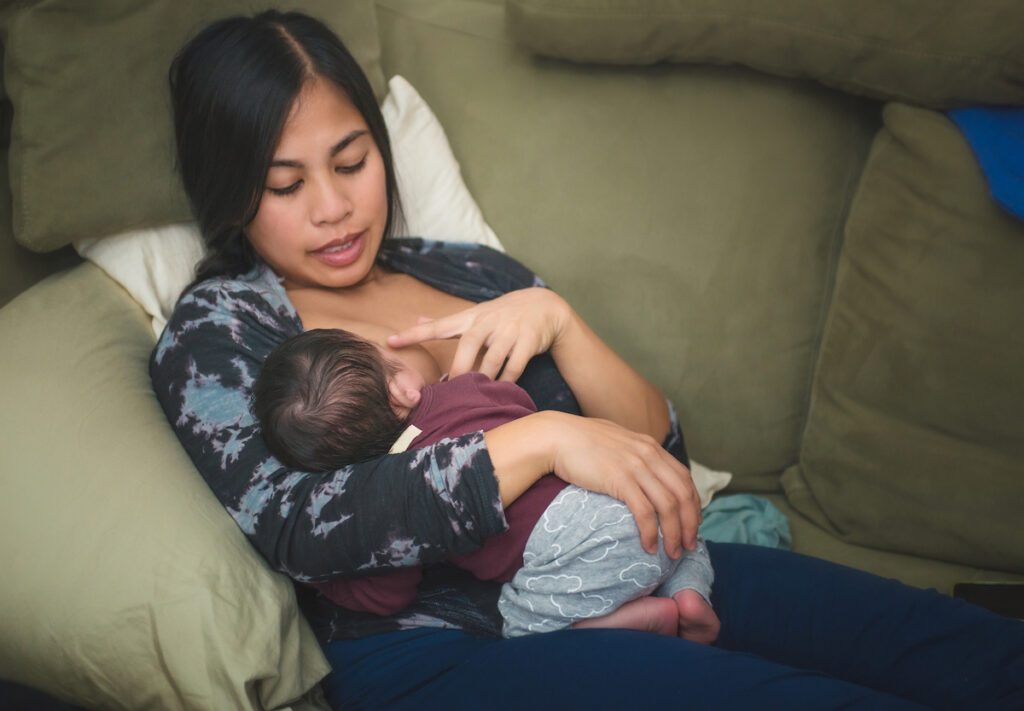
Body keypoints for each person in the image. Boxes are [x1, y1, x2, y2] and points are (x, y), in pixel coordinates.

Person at [151, 9, 1024, 710]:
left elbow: (655, 451)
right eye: (286, 184)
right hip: (445, 648)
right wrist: (541, 442)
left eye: (353, 161)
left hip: (657, 552)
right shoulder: (222, 332)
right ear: (231, 190)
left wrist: (562, 320)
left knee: (969, 653)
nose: (336, 208)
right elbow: (303, 524)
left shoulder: (465, 270)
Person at [252, 328, 719, 640]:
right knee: (682, 536)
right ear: (402, 389)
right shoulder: (469, 387)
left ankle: (630, 622)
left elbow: (388, 592)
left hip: (575, 545)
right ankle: (690, 592)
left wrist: (328, 587)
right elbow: (517, 402)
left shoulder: (405, 490)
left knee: (515, 625)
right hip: (645, 499)